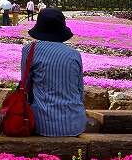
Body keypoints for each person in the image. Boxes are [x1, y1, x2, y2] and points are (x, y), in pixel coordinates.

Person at [20, 8, 86, 137]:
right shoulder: (74, 55)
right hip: (75, 124)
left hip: (43, 124)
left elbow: (25, 85)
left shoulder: (30, 50)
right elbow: (80, 90)